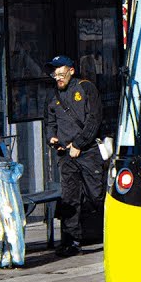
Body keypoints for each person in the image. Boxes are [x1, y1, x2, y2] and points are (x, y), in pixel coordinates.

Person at [44, 55, 105, 257]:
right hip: (66, 154)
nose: (58, 77)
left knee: (96, 195)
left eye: (61, 73)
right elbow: (50, 121)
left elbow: (94, 119)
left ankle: (112, 233)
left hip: (87, 152)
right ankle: (71, 242)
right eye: (55, 74)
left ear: (71, 70)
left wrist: (79, 144)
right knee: (70, 199)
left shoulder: (86, 88)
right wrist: (51, 137)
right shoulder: (54, 95)